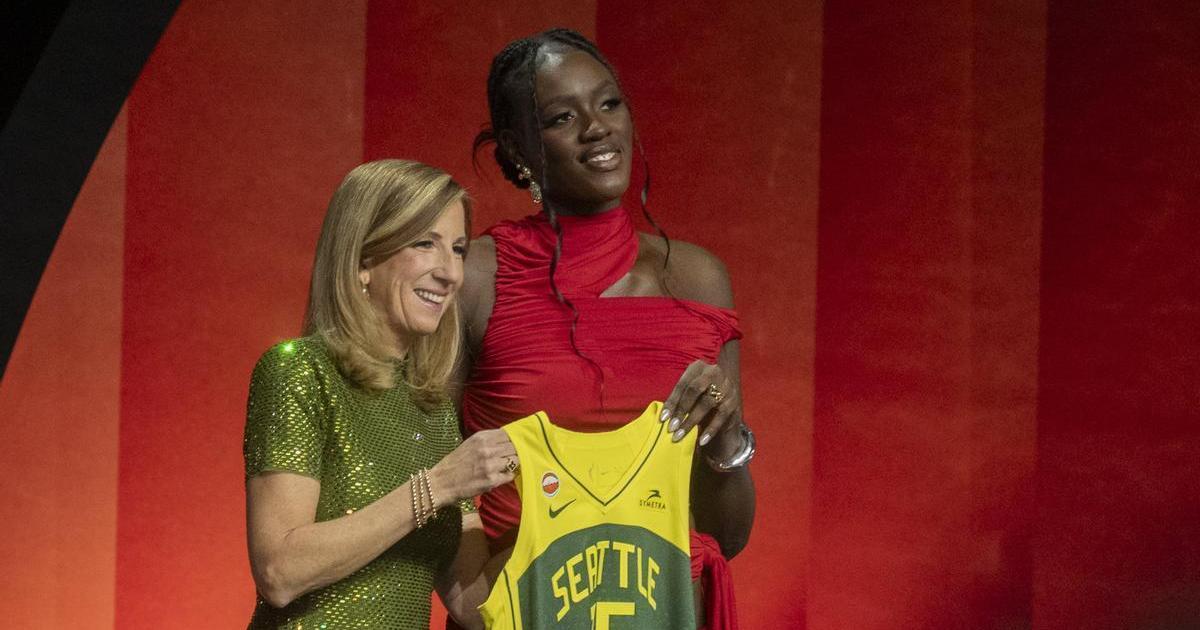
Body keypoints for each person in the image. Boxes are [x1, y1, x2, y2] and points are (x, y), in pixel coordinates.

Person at [457, 29, 757, 628]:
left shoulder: (698, 279)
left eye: (609, 103)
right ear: (518, 148)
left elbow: (727, 534)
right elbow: (430, 469)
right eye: (563, 117)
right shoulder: (477, 276)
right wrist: (474, 599)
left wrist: (726, 440)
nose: (597, 128)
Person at [242, 159, 518, 629]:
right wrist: (437, 486)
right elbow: (280, 572)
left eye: (457, 249)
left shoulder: (433, 410)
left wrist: (572, 516)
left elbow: (476, 606)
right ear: (363, 260)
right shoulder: (300, 371)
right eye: (425, 243)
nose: (451, 273)